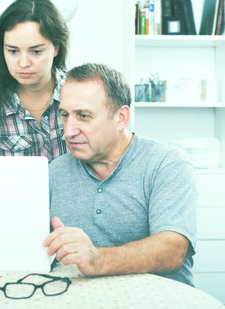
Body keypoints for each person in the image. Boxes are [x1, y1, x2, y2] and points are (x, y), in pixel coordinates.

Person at [42, 63, 197, 286]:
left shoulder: (166, 164)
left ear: (121, 118)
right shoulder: (56, 171)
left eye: (84, 116)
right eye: (65, 115)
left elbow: (173, 250)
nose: (68, 131)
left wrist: (97, 259)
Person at [0, 0, 69, 162]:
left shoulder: (79, 94)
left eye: (36, 51)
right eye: (13, 51)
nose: (23, 63)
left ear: (56, 47)